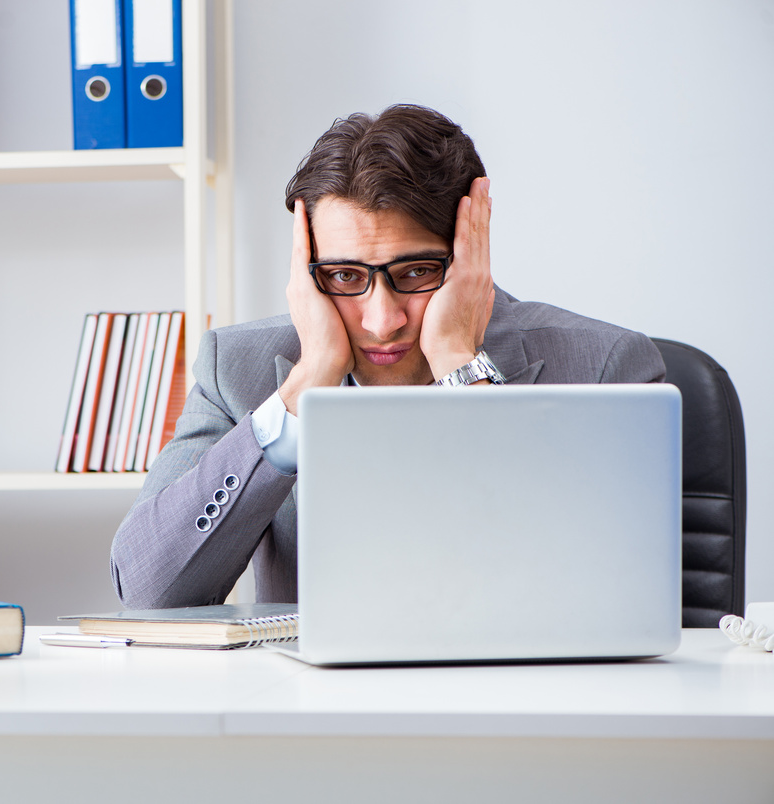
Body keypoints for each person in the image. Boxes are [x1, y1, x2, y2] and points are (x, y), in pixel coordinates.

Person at [109, 104, 665, 610]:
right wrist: (305, 388)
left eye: (417, 272)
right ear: (308, 272)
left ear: (471, 254)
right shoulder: (234, 370)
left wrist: (457, 362)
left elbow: (598, 589)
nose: (382, 321)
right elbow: (147, 589)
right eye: (345, 276)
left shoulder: (607, 366)